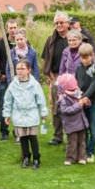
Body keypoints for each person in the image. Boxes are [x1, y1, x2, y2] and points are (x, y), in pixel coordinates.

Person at [3, 60, 48, 169]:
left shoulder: (34, 84)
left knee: (32, 137)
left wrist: (43, 112)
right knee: (22, 137)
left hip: (31, 113)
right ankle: (26, 157)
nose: (20, 71)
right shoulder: (13, 85)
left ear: (28, 70)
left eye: (22, 69)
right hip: (19, 113)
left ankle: (36, 158)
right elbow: (8, 100)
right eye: (18, 69)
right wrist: (7, 114)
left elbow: (40, 99)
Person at [41, 11, 70, 145]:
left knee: (70, 107)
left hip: (71, 79)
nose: (58, 25)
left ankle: (71, 135)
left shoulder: (74, 38)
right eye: (56, 23)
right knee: (56, 108)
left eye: (61, 22)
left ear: (67, 24)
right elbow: (45, 58)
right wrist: (50, 77)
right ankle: (57, 136)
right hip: (55, 77)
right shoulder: (50, 40)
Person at [75, 43, 95, 163]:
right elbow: (76, 84)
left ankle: (91, 152)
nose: (84, 60)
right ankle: (83, 151)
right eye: (82, 57)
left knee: (93, 128)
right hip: (81, 102)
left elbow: (94, 85)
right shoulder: (78, 68)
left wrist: (85, 97)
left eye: (87, 57)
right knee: (83, 127)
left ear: (92, 56)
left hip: (94, 102)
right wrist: (80, 97)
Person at [56, 73, 89, 166]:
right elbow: (66, 110)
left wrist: (86, 102)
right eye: (71, 89)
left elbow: (82, 100)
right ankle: (70, 158)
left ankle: (82, 157)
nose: (74, 90)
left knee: (82, 141)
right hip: (71, 124)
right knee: (72, 142)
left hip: (81, 123)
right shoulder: (63, 98)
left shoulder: (77, 92)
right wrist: (79, 105)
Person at [0, 19, 18, 141]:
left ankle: (18, 131)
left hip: (19, 79)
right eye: (10, 28)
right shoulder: (1, 43)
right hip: (4, 79)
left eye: (15, 28)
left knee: (19, 105)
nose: (13, 30)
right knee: (4, 105)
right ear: (7, 29)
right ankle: (4, 131)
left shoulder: (22, 42)